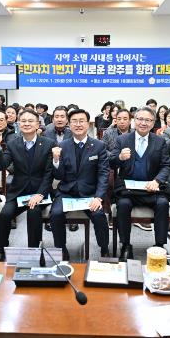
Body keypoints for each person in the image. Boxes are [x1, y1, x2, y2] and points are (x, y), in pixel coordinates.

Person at [0, 109, 57, 261]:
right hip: (18, 192)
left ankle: (34, 251)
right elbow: (2, 164)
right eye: (23, 121)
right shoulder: (12, 144)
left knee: (33, 213)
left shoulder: (48, 144)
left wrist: (40, 194)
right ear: (19, 124)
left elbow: (49, 174)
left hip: (39, 192)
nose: (26, 123)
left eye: (30, 121)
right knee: (5, 215)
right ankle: (2, 248)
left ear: (37, 124)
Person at [110, 107, 170, 261]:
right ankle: (125, 245)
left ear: (153, 123)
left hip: (151, 188)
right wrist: (119, 158)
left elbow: (165, 166)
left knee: (163, 204)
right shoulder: (122, 140)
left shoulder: (160, 141)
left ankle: (159, 246)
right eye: (140, 119)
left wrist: (157, 181)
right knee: (123, 205)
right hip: (128, 190)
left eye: (148, 120)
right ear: (134, 121)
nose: (143, 123)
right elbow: (111, 162)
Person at [50, 109, 110, 259]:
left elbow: (103, 174)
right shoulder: (62, 146)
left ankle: (104, 248)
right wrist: (56, 160)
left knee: (99, 216)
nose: (78, 124)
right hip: (66, 192)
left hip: (90, 194)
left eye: (81, 121)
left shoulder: (99, 146)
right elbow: (58, 176)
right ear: (69, 124)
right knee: (55, 214)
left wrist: (98, 197)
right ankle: (61, 248)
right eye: (74, 121)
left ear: (88, 124)